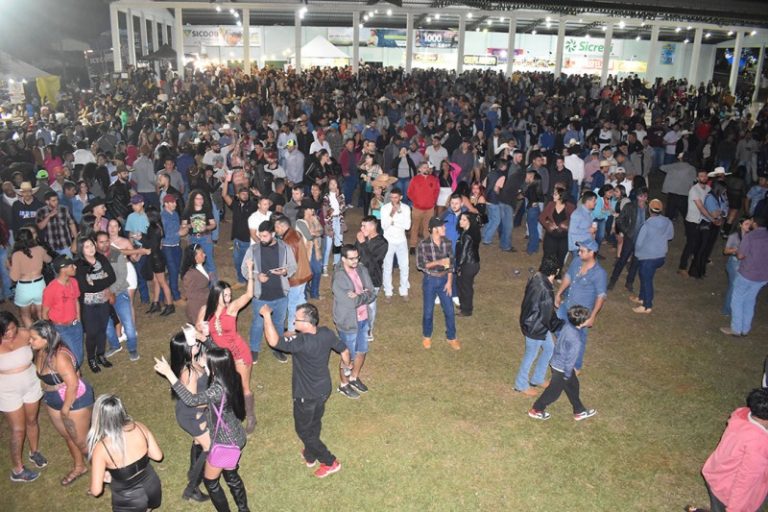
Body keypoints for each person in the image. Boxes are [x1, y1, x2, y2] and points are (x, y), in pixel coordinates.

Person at [261, 302, 351, 478]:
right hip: (323, 390)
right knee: (314, 423)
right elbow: (344, 350)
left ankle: (330, 461)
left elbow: (273, 341)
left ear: (307, 323)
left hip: (306, 395)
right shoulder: (325, 333)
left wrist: (266, 316)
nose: (293, 321)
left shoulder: (301, 343)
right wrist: (347, 366)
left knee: (303, 431)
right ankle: (310, 455)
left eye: (296, 319)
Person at [154, 347, 249, 512]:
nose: (204, 358)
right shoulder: (233, 376)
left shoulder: (216, 390)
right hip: (237, 434)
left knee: (211, 482)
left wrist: (169, 374)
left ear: (215, 367)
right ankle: (243, 509)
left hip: (224, 442)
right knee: (232, 477)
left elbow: (191, 400)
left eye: (208, 360)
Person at [30, 319, 94, 486]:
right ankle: (79, 467)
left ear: (46, 339)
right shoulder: (41, 351)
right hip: (53, 399)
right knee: (68, 436)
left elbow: (73, 384)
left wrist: (65, 408)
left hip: (74, 399)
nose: (30, 341)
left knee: (81, 442)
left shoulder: (59, 356)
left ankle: (105, 471)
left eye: (34, 338)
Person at [204, 266, 257, 434]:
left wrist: (250, 272)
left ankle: (251, 417)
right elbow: (201, 329)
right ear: (216, 295)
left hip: (239, 354)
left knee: (243, 386)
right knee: (228, 387)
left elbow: (249, 295)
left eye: (229, 295)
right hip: (222, 357)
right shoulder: (208, 312)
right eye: (225, 295)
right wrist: (201, 332)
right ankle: (233, 413)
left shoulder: (232, 308)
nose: (228, 298)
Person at [87, 394, 163, 511]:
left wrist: (108, 476)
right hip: (153, 488)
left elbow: (96, 491)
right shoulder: (139, 427)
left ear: (98, 417)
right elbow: (158, 456)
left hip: (128, 501)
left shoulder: (101, 448)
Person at [702, 388, 768, 512]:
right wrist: (734, 509)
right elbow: (746, 482)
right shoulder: (759, 444)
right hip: (728, 493)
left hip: (716, 476)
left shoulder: (742, 415)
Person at [528, 305, 597, 422]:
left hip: (557, 362)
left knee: (573, 385)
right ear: (582, 322)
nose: (591, 318)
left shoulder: (567, 326)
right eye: (588, 318)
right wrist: (568, 373)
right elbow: (570, 360)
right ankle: (536, 410)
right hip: (563, 368)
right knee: (553, 392)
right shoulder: (576, 340)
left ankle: (579, 410)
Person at [241, 219, 297, 363]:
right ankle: (254, 349)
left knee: (279, 323)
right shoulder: (253, 250)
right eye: (260, 235)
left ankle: (277, 348)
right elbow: (244, 269)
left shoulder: (285, 248)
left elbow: (293, 266)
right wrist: (256, 276)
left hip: (281, 295)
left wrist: (285, 272)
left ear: (273, 234)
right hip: (261, 296)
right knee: (258, 324)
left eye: (265, 236)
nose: (261, 239)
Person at [0, 312, 46, 482]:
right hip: (7, 390)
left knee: (32, 421)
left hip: (31, 383)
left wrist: (41, 365)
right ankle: (18, 470)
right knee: (18, 430)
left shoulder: (26, 333)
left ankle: (34, 452)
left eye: (12, 328)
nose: (10, 333)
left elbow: (44, 345)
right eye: (5, 331)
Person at [169, 326, 211, 502]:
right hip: (192, 415)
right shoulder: (189, 372)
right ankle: (192, 488)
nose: (195, 343)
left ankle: (192, 472)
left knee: (198, 442)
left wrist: (204, 335)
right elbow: (192, 401)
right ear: (185, 349)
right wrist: (212, 401)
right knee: (210, 447)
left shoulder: (194, 361)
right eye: (192, 343)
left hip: (194, 412)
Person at [554, 239, 607, 372]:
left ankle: (576, 367)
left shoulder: (599, 273)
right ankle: (566, 348)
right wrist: (559, 293)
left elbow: (601, 296)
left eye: (582, 251)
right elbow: (568, 277)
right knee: (556, 326)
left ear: (591, 253)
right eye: (579, 250)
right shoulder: (577, 261)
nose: (579, 253)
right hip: (567, 304)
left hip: (581, 314)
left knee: (579, 338)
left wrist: (593, 316)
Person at [514, 257, 563, 397]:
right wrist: (560, 326)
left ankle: (537, 378)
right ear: (556, 271)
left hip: (532, 322)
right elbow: (548, 315)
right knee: (531, 355)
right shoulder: (546, 289)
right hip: (536, 327)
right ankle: (520, 384)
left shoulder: (537, 277)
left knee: (549, 348)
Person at [332, 244, 376, 400]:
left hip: (363, 318)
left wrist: (359, 296)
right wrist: (363, 295)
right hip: (348, 321)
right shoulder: (339, 277)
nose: (355, 261)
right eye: (351, 259)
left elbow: (372, 293)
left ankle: (353, 377)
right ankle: (343, 385)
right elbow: (350, 302)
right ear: (343, 259)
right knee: (347, 356)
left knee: (362, 351)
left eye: (357, 257)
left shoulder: (362, 269)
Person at [416, 217, 459, 350]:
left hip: (444, 279)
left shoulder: (447, 242)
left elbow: (451, 264)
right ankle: (427, 336)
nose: (444, 228)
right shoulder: (423, 244)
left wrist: (449, 282)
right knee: (428, 311)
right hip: (430, 280)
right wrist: (438, 262)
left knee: (449, 310)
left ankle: (451, 337)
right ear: (434, 229)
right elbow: (420, 265)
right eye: (442, 226)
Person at [721, 215, 768, 337]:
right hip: (763, 276)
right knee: (750, 300)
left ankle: (736, 329)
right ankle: (745, 329)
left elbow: (740, 256)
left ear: (755, 223)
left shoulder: (750, 236)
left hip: (748, 273)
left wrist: (739, 252)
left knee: (737, 299)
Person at [75, 236, 116, 374]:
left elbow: (112, 277)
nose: (91, 249)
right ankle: (91, 358)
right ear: (81, 249)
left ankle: (101, 355)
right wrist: (102, 281)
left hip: (103, 301)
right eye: (86, 247)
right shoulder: (79, 265)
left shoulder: (101, 259)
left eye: (92, 245)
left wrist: (95, 283)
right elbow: (84, 287)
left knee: (102, 330)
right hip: (88, 305)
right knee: (92, 332)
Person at [631, 199, 674, 314]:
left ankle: (647, 305)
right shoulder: (668, 222)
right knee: (645, 277)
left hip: (647, 257)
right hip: (660, 256)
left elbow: (639, 243)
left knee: (647, 281)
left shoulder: (647, 225)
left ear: (649, 210)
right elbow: (670, 236)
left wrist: (637, 254)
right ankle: (641, 297)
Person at [273, 216, 313, 333]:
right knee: (300, 300)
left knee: (292, 304)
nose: (275, 230)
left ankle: (291, 329)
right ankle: (307, 321)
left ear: (281, 226)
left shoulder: (289, 240)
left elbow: (290, 263)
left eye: (276, 227)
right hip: (304, 273)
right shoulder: (294, 233)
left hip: (296, 277)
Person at [41, 255, 83, 364]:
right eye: (71, 266)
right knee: (75, 356)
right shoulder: (51, 289)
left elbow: (76, 300)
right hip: (61, 328)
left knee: (80, 354)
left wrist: (78, 318)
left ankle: (74, 370)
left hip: (75, 324)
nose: (75, 267)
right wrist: (51, 331)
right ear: (63, 269)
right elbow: (44, 313)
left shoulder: (74, 282)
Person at [607, 186, 648, 292]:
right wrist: (627, 232)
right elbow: (620, 220)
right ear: (637, 196)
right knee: (622, 260)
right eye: (640, 196)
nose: (642, 199)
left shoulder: (648, 209)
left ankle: (629, 282)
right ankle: (613, 280)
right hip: (630, 238)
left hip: (642, 240)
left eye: (645, 196)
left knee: (635, 262)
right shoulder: (630, 206)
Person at [9, 228, 52, 327]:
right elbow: (49, 260)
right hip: (39, 285)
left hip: (24, 288)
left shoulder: (16, 255)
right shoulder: (39, 249)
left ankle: (33, 335)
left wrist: (10, 267)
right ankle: (45, 334)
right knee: (41, 314)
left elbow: (14, 278)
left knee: (25, 316)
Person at [355, 215, 388, 341]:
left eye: (364, 226)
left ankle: (369, 329)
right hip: (358, 276)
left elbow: (372, 262)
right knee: (358, 303)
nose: (361, 228)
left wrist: (363, 244)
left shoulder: (382, 243)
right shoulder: (362, 238)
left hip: (373, 279)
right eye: (361, 225)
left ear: (373, 227)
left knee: (370, 306)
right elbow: (356, 255)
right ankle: (358, 325)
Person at [222, 173, 257, 288]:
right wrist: (226, 181)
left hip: (250, 241)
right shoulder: (235, 205)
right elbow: (224, 195)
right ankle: (241, 281)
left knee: (250, 264)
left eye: (247, 194)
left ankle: (251, 282)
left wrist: (260, 196)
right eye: (243, 194)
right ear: (237, 195)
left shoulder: (253, 206)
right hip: (237, 241)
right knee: (238, 262)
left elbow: (266, 205)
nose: (245, 196)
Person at [678, 169, 712, 277]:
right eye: (701, 176)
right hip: (692, 221)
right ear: (697, 178)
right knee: (690, 244)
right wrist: (712, 218)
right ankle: (682, 267)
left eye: (705, 176)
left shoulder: (708, 189)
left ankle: (698, 260)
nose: (703, 178)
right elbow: (701, 207)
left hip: (702, 220)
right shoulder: (694, 190)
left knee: (700, 242)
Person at [381, 187, 412, 302]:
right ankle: (388, 291)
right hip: (388, 240)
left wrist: (395, 221)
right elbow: (384, 226)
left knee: (404, 266)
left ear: (400, 197)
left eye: (395, 197)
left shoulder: (406, 208)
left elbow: (407, 226)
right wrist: (391, 214)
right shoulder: (385, 208)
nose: (393, 200)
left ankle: (404, 290)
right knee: (387, 267)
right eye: (391, 197)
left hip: (401, 240)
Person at [181, 190, 218, 283]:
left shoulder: (207, 210)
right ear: (192, 200)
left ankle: (214, 286)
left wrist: (206, 227)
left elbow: (214, 224)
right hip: (192, 238)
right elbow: (183, 226)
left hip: (205, 237)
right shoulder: (187, 211)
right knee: (195, 262)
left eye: (201, 198)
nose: (200, 200)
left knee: (209, 261)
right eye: (197, 198)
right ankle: (201, 283)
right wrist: (190, 225)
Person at [540, 186, 575, 276]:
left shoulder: (570, 207)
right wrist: (549, 224)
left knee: (561, 256)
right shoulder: (551, 204)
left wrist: (565, 225)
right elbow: (542, 217)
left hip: (564, 237)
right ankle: (544, 273)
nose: (553, 195)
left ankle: (557, 275)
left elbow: (574, 220)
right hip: (551, 235)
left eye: (555, 194)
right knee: (548, 255)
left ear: (561, 196)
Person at [721, 217, 753, 316]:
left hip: (745, 263)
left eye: (750, 224)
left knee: (741, 287)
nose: (749, 226)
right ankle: (727, 310)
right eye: (746, 224)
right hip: (734, 262)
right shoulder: (734, 236)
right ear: (740, 225)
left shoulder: (750, 235)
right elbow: (725, 251)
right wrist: (737, 249)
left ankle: (735, 308)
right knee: (734, 287)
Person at [407, 162, 440, 252]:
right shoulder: (415, 179)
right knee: (415, 227)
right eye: (424, 167)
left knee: (428, 228)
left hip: (429, 208)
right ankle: (413, 245)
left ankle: (427, 245)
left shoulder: (433, 179)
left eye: (427, 167)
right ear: (420, 169)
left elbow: (437, 191)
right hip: (417, 208)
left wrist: (433, 201)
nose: (427, 169)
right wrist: (417, 201)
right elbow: (409, 192)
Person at [35, 190, 77, 257]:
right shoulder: (41, 211)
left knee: (68, 262)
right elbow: (40, 227)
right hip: (51, 246)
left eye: (57, 200)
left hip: (65, 243)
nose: (56, 202)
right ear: (47, 201)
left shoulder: (64, 209)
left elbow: (72, 224)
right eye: (53, 200)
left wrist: (76, 238)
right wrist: (49, 216)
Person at [455, 212, 481, 317]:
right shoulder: (472, 232)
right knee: (464, 285)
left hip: (468, 264)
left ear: (470, 222)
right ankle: (464, 305)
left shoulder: (467, 236)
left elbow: (464, 253)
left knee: (465, 287)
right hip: (473, 263)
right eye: (460, 219)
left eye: (464, 220)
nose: (460, 221)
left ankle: (466, 310)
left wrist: (459, 266)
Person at [321, 177, 347, 275]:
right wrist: (329, 227)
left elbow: (343, 209)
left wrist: (338, 197)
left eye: (335, 183)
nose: (333, 185)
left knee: (338, 244)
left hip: (338, 221)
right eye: (331, 184)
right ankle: (324, 266)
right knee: (328, 246)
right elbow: (325, 213)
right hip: (330, 221)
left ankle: (336, 264)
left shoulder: (341, 196)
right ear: (328, 186)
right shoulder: (326, 197)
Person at [567, 191, 597, 261]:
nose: (595, 203)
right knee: (578, 265)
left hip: (585, 243)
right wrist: (589, 230)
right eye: (594, 201)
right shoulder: (578, 213)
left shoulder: (588, 212)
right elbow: (572, 230)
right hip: (578, 246)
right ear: (588, 201)